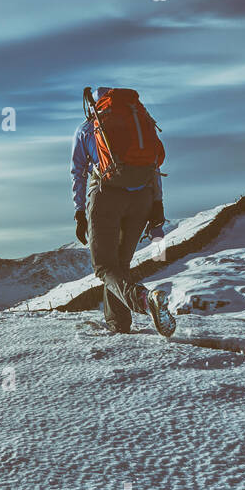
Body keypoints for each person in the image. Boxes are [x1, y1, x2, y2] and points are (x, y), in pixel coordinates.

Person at [71, 86, 175, 336]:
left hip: (107, 195)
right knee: (120, 265)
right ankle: (119, 327)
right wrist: (157, 204)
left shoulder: (88, 128)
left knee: (105, 267)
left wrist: (79, 211)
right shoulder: (140, 122)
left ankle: (144, 300)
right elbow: (153, 167)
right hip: (142, 198)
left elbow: (78, 172)